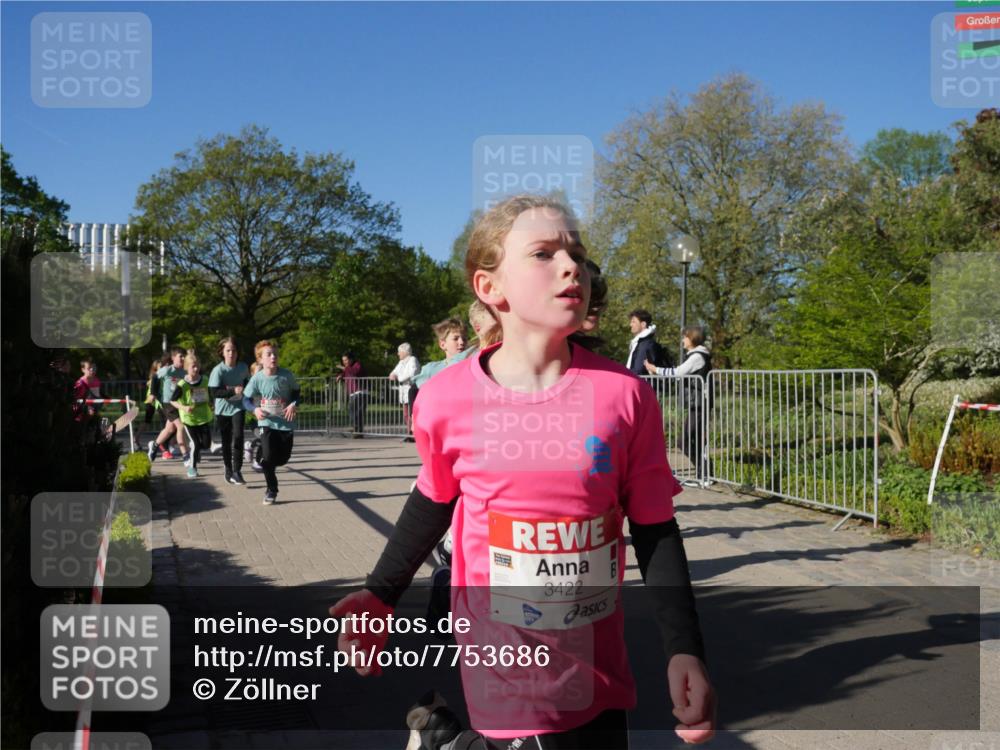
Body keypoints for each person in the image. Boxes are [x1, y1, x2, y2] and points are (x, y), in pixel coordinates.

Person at [331, 195, 715, 750]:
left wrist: (685, 649)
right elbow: (433, 499)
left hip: (596, 656)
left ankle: (443, 739)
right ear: (490, 288)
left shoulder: (625, 397)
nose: (570, 267)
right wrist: (380, 593)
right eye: (543, 253)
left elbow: (655, 528)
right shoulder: (446, 400)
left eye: (576, 255)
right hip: (500, 651)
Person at [644, 327, 712, 483]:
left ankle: (706, 474)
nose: (683, 340)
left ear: (692, 339)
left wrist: (655, 369)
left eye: (685, 337)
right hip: (698, 404)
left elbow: (679, 372)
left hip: (700, 404)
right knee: (695, 440)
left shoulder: (697, 357)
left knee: (684, 441)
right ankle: (704, 475)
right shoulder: (696, 355)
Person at [242, 341, 299, 505]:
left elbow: (296, 392)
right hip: (266, 423)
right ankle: (271, 490)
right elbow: (246, 399)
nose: (273, 357)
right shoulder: (257, 378)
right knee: (268, 460)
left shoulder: (286, 375)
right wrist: (255, 410)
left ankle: (259, 454)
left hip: (285, 424)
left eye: (275, 354)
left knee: (282, 459)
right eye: (269, 354)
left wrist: (293, 404)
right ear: (260, 359)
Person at [209, 336, 250, 486]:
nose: (231, 353)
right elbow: (214, 392)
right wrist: (233, 390)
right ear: (222, 352)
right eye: (228, 350)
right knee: (226, 441)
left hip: (238, 407)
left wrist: (249, 393)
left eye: (234, 350)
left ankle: (237, 471)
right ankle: (228, 469)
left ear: (238, 352)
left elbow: (248, 384)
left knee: (238, 436)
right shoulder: (218, 370)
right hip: (222, 410)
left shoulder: (243, 367)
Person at [171, 352, 214, 479]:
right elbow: (173, 401)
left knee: (206, 444)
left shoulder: (205, 380)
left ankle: (194, 450)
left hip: (204, 416)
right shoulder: (182, 384)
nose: (196, 369)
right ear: (186, 367)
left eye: (197, 366)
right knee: (195, 443)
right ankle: (192, 467)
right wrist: (184, 407)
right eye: (193, 366)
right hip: (189, 419)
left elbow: (208, 395)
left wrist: (211, 403)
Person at [147, 347, 188, 463]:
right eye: (180, 356)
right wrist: (153, 394)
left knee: (169, 429)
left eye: (184, 356)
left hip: (178, 403)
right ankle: (186, 455)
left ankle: (154, 446)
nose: (183, 358)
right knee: (180, 426)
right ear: (173, 358)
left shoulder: (184, 372)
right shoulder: (167, 370)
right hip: (167, 402)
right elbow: (155, 377)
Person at [412, 318, 468, 389]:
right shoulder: (431, 369)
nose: (462, 342)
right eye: (455, 339)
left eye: (464, 339)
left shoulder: (475, 366)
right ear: (443, 344)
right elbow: (415, 393)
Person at [388, 343, 421, 442]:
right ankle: (409, 433)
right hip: (403, 390)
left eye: (399, 351)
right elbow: (394, 371)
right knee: (406, 414)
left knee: (412, 413)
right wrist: (393, 374)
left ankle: (414, 434)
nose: (398, 354)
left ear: (405, 352)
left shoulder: (412, 360)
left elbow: (412, 373)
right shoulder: (401, 362)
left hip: (412, 389)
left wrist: (400, 378)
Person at [625, 309, 671, 376]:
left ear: (643, 324)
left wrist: (625, 375)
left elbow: (638, 369)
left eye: (633, 322)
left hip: (641, 383)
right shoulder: (641, 342)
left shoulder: (645, 344)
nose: (630, 324)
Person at [336, 352, 367, 438]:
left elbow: (354, 372)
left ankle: (358, 431)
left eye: (346, 360)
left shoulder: (357, 365)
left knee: (357, 412)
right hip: (353, 393)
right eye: (343, 360)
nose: (344, 362)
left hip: (360, 392)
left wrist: (343, 368)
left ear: (351, 359)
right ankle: (357, 430)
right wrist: (340, 375)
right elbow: (346, 373)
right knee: (352, 411)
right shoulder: (347, 368)